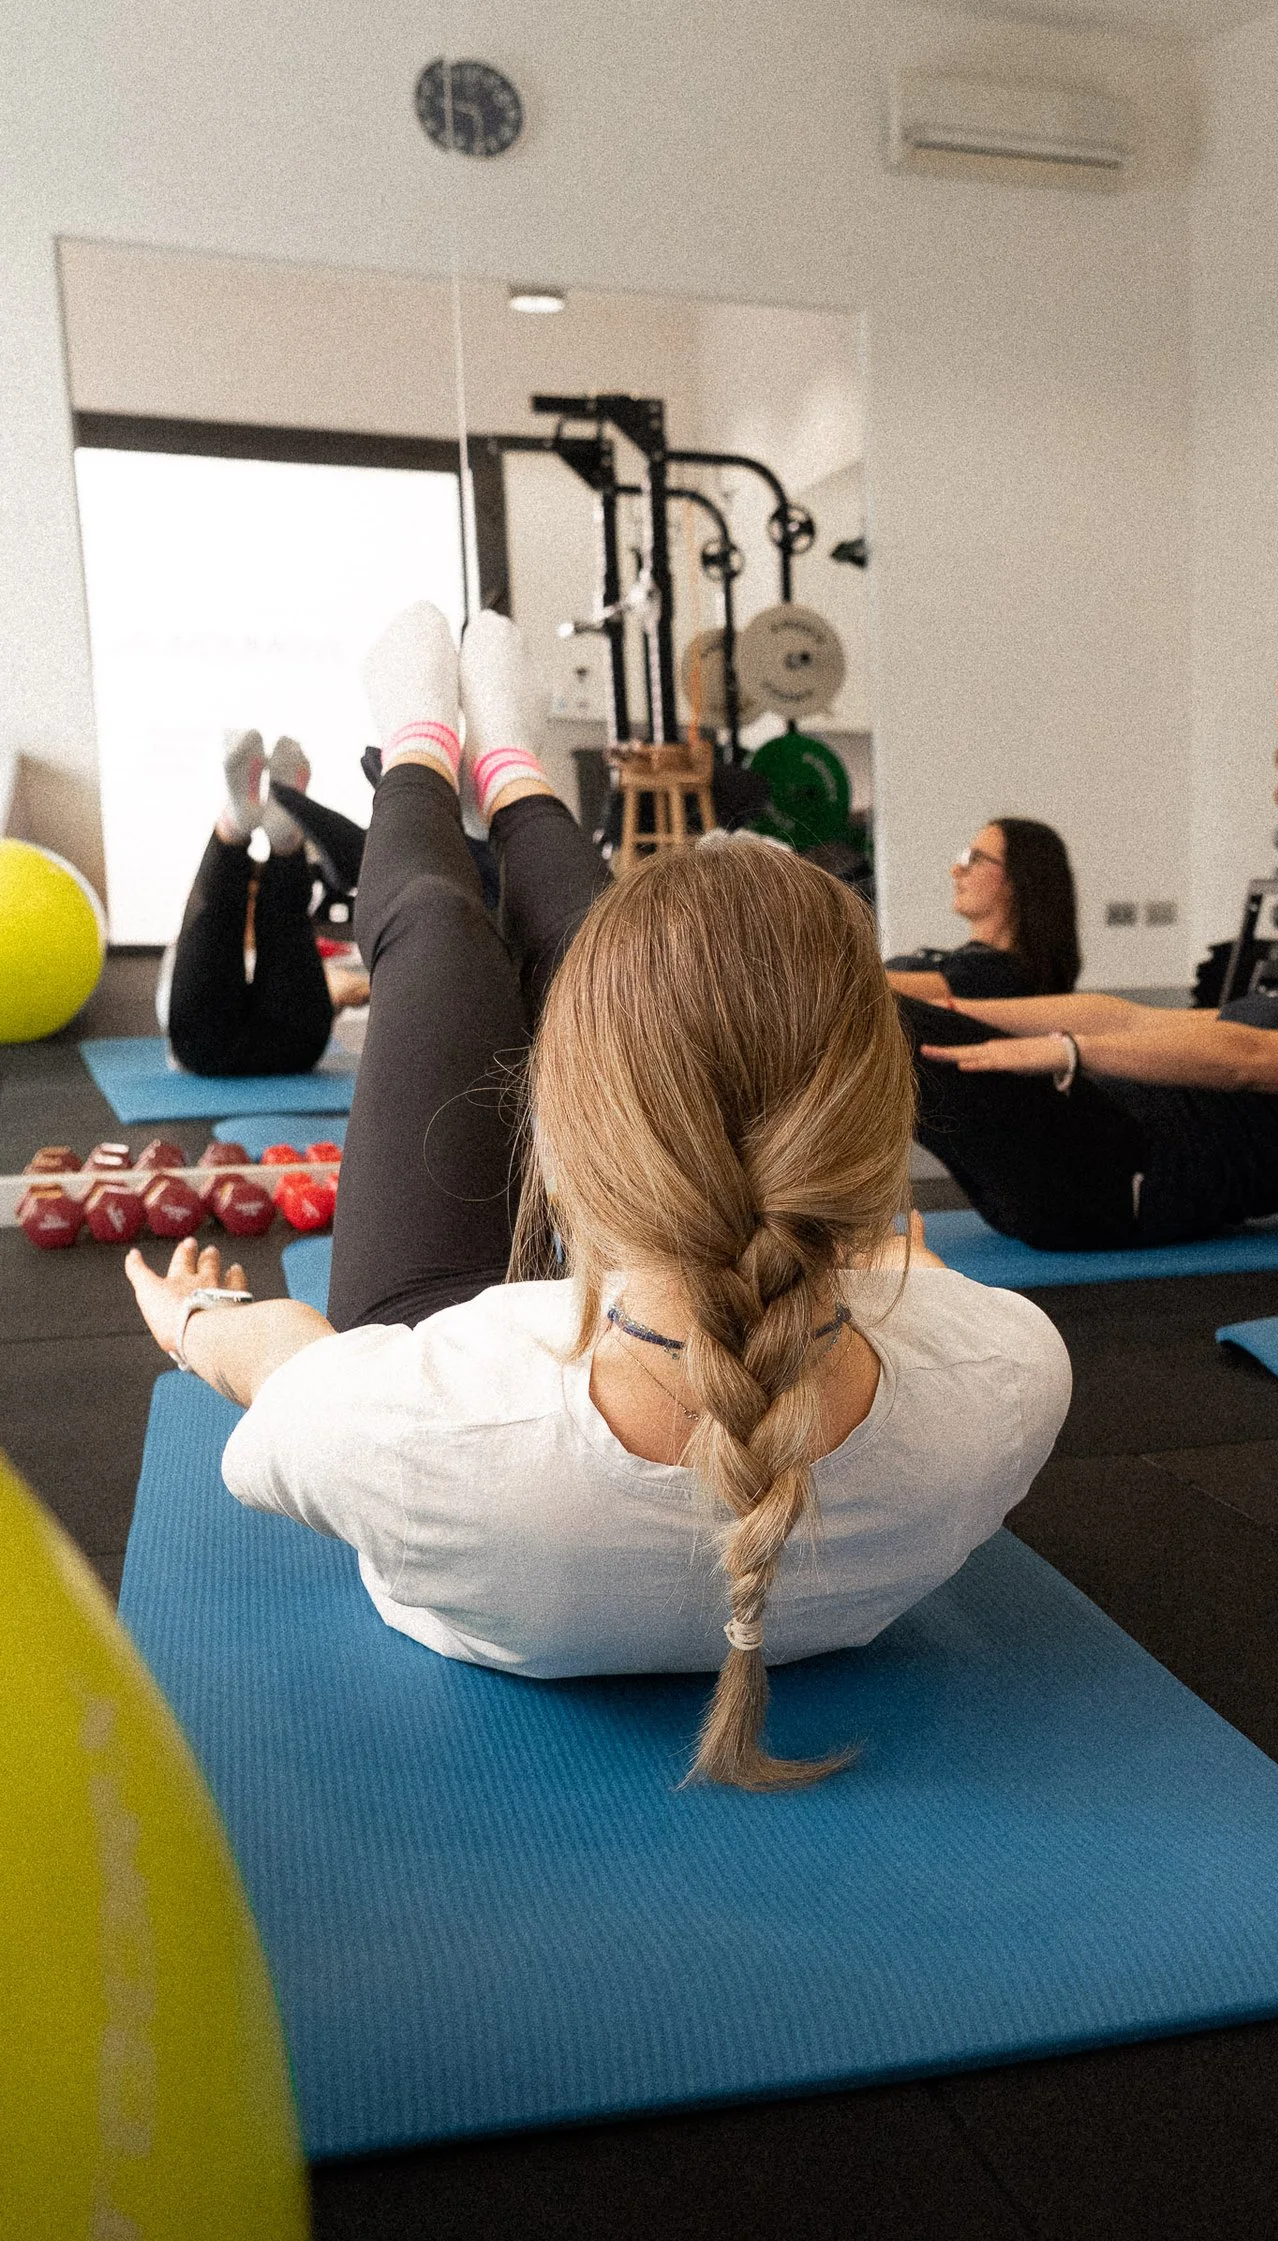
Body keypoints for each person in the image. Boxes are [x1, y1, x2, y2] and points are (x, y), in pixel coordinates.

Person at [122, 604, 1070, 1788]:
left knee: (442, 937)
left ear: (557, 1126)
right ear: (874, 1132)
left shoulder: (397, 1427)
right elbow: (916, 1284)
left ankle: (429, 746)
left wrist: (194, 1323)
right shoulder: (1016, 1377)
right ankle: (506, 765)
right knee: (542, 944)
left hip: (450, 1344)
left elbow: (282, 1361)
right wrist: (900, 1271)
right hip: (684, 1308)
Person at [892, 795, 1278, 1253]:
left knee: (868, 1021)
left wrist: (1069, 1054)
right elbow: (1125, 1014)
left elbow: (1245, 1059)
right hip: (1071, 1161)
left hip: (1119, 1182)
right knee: (863, 1019)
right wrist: (963, 1013)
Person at [158, 729, 369, 1080]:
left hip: (289, 1048)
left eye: (258, 893)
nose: (253, 904)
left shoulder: (322, 952)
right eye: (250, 894)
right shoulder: (205, 941)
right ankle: (244, 826)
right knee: (219, 919)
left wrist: (341, 990)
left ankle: (277, 832)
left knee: (285, 921)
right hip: (211, 1046)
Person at [887, 816, 1082, 1002]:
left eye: (975, 859)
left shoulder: (1003, 978)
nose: (956, 870)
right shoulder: (970, 966)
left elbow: (873, 988)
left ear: (1018, 878)